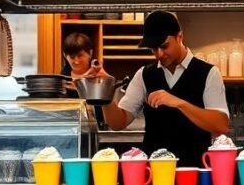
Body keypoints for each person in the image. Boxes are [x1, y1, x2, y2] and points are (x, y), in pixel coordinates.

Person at [89, 10, 228, 167]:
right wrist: (106, 94)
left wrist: (179, 103)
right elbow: (118, 123)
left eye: (164, 46)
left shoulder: (208, 73)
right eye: (154, 49)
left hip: (197, 174)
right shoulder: (144, 75)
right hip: (154, 177)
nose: (159, 54)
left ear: (180, 37)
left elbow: (220, 125)